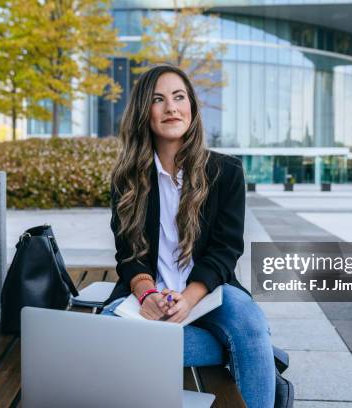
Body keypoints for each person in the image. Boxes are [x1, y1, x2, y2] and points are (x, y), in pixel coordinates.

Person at [100, 64, 276, 408]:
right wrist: (147, 292)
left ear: (192, 108)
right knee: (106, 330)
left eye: (179, 97)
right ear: (143, 112)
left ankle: (249, 344)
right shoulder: (127, 178)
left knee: (251, 324)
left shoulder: (226, 172)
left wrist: (190, 298)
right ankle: (246, 348)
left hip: (209, 291)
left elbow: (226, 250)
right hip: (150, 294)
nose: (171, 108)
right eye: (158, 99)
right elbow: (127, 255)